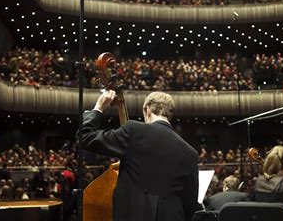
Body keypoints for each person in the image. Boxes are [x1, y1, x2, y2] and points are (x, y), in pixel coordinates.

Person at [78, 91, 199, 221]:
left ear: (147, 110)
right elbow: (190, 204)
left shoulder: (134, 130)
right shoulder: (190, 152)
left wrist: (98, 108)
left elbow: (85, 137)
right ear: (170, 114)